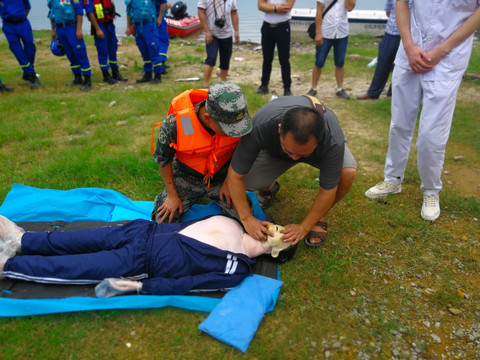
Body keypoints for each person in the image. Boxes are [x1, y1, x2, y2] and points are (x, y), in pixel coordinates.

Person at [365, 1, 480, 222]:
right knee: (399, 123)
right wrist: (408, 46)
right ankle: (393, 178)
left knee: (431, 133)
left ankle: (431, 190)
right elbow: (401, 3)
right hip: (410, 51)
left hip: (449, 57)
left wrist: (442, 50)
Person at [0, 214, 290, 297]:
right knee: (77, 239)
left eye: (279, 233)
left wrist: (139, 286)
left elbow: (186, 285)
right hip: (143, 231)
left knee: (77, 266)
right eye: (276, 225)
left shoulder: (235, 270)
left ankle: (9, 266)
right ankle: (24, 240)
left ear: (276, 250)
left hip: (142, 263)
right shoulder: (236, 222)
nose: (272, 227)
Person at [226, 96, 357, 247]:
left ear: (319, 140)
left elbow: (327, 191)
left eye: (302, 154)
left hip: (320, 150)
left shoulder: (332, 141)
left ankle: (320, 216)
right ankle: (269, 186)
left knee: (347, 173)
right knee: (247, 180)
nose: (295, 158)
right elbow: (235, 175)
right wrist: (247, 218)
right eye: (289, 150)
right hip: (275, 151)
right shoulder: (262, 124)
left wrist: (304, 227)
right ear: (280, 129)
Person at [152, 81, 252, 224]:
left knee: (245, 216)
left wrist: (229, 182)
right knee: (163, 221)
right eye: (227, 129)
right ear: (207, 117)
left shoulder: (238, 121)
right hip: (186, 175)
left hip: (223, 175)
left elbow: (241, 154)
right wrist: (172, 195)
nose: (234, 132)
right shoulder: (180, 123)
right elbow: (163, 159)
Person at [306, 0, 356, 100]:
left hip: (341, 31)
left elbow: (350, 8)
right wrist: (318, 32)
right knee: (319, 61)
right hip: (326, 31)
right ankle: (313, 88)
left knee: (340, 62)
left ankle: (340, 88)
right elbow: (319, 10)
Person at [357, 0, 401, 100]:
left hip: (407, 34)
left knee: (400, 65)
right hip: (390, 32)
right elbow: (388, 12)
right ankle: (373, 92)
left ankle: (393, 92)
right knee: (383, 61)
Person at [48, 0, 94, 91]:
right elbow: (51, 14)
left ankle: (87, 81)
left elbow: (79, 12)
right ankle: (77, 78)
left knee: (80, 53)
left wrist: (79, 29)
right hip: (60, 28)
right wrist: (53, 30)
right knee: (70, 54)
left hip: (71, 27)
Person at [255, 0, 295, 97]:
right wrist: (276, 8)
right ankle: (264, 85)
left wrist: (268, 5)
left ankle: (287, 88)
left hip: (282, 27)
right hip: (267, 27)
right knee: (267, 59)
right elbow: (260, 6)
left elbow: (287, 8)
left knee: (284, 60)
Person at [197, 0, 240, 88]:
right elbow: (201, 12)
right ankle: (205, 85)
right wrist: (207, 31)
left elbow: (234, 13)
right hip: (212, 34)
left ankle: (222, 83)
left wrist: (236, 31)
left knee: (225, 59)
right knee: (211, 57)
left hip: (227, 34)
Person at [0, 0, 41, 89]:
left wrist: (20, 17)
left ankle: (28, 72)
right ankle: (31, 75)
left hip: (22, 22)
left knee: (30, 46)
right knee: (16, 49)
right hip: (8, 24)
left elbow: (28, 7)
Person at [126, 0, 164, 84]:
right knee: (143, 50)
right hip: (137, 26)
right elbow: (128, 12)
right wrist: (128, 27)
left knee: (153, 49)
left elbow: (163, 2)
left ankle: (158, 75)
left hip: (149, 25)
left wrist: (160, 18)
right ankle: (148, 74)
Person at [90, 0, 128, 84]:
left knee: (113, 48)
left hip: (109, 24)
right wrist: (98, 29)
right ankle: (106, 75)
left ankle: (115, 72)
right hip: (100, 25)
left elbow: (111, 5)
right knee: (103, 50)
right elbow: (90, 14)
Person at [155, 0, 170, 74]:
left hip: (150, 19)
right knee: (164, 41)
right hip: (158, 17)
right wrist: (160, 18)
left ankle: (156, 63)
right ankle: (162, 64)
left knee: (154, 42)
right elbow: (163, 4)